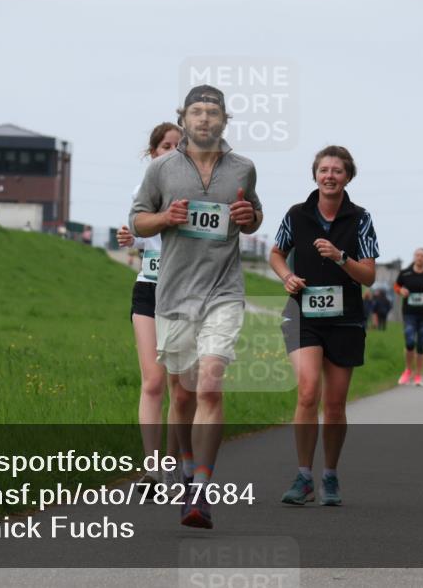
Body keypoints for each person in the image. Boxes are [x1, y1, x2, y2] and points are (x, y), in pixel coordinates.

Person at [129, 85, 263, 529]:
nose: (204, 119)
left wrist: (249, 219)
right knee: (182, 394)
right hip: (174, 295)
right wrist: (166, 218)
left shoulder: (243, 167)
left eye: (213, 112)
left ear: (224, 121)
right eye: (196, 112)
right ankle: (184, 472)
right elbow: (138, 219)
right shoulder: (163, 169)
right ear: (183, 118)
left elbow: (254, 216)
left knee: (208, 387)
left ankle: (201, 494)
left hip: (223, 291)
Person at [269, 146, 378, 507]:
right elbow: (276, 253)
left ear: (348, 177)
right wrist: (286, 276)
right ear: (315, 175)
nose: (330, 176)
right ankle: (303, 477)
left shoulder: (360, 219)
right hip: (303, 316)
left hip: (345, 320)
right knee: (307, 390)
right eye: (324, 170)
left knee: (334, 405)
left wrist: (340, 256)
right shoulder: (297, 214)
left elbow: (369, 276)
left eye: (337, 171)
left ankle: (329, 475)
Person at [116, 122, 182, 490]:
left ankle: (174, 465)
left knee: (178, 382)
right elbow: (138, 236)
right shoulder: (142, 191)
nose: (170, 152)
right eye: (164, 147)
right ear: (153, 152)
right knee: (153, 381)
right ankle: (152, 468)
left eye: (177, 147)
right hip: (148, 290)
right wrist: (130, 237)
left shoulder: (195, 193)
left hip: (183, 294)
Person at [395, 248, 423, 386]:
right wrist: (401, 291)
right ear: (414, 257)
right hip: (409, 312)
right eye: (417, 255)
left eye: (422, 256)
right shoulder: (405, 273)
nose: (420, 258)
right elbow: (396, 286)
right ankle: (408, 370)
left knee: (421, 344)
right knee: (409, 341)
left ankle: (418, 375)